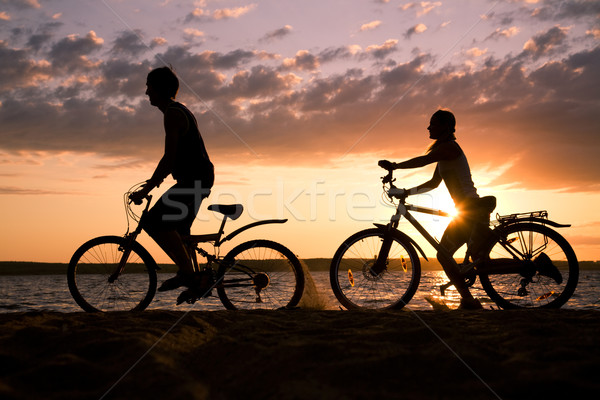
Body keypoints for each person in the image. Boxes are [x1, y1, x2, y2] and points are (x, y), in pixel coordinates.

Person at [378, 109, 489, 310]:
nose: (428, 127)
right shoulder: (444, 154)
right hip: (465, 212)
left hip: (473, 211)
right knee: (445, 255)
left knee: (479, 262)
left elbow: (422, 161)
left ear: (445, 127)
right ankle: (468, 301)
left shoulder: (450, 149)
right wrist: (406, 192)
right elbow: (433, 183)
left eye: (433, 123)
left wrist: (395, 165)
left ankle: (537, 264)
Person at [129, 66, 214, 293]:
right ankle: (196, 281)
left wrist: (146, 189)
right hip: (197, 179)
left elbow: (169, 159)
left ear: (159, 89)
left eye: (149, 86)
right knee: (180, 232)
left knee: (154, 222)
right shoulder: (177, 111)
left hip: (194, 181)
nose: (146, 92)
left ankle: (187, 273)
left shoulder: (173, 114)